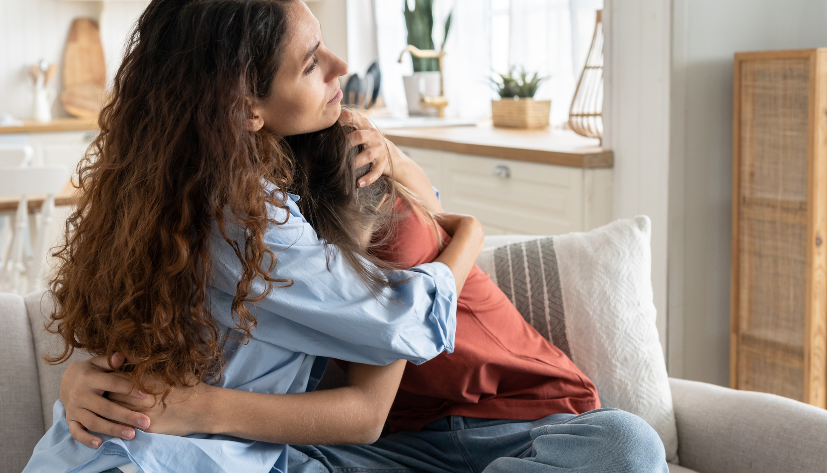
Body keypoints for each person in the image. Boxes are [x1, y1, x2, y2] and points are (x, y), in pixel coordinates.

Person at [23, 0, 483, 473]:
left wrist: (394, 159)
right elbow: (402, 323)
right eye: (310, 65)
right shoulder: (248, 217)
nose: (341, 65)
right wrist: (471, 234)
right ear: (245, 109)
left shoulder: (161, 187)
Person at [87, 121, 669, 473]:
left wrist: (455, 223)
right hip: (396, 450)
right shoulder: (243, 235)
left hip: (532, 422)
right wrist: (83, 383)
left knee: (624, 443)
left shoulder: (372, 205)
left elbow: (380, 371)